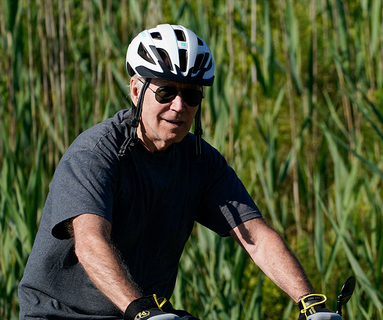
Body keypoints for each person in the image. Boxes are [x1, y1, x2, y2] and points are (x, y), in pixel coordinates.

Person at [18, 24, 340, 320]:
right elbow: (90, 241)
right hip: (63, 315)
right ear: (135, 91)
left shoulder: (200, 160)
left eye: (191, 95)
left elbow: (255, 237)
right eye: (166, 92)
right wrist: (141, 311)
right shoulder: (97, 154)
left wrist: (310, 303)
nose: (178, 106)